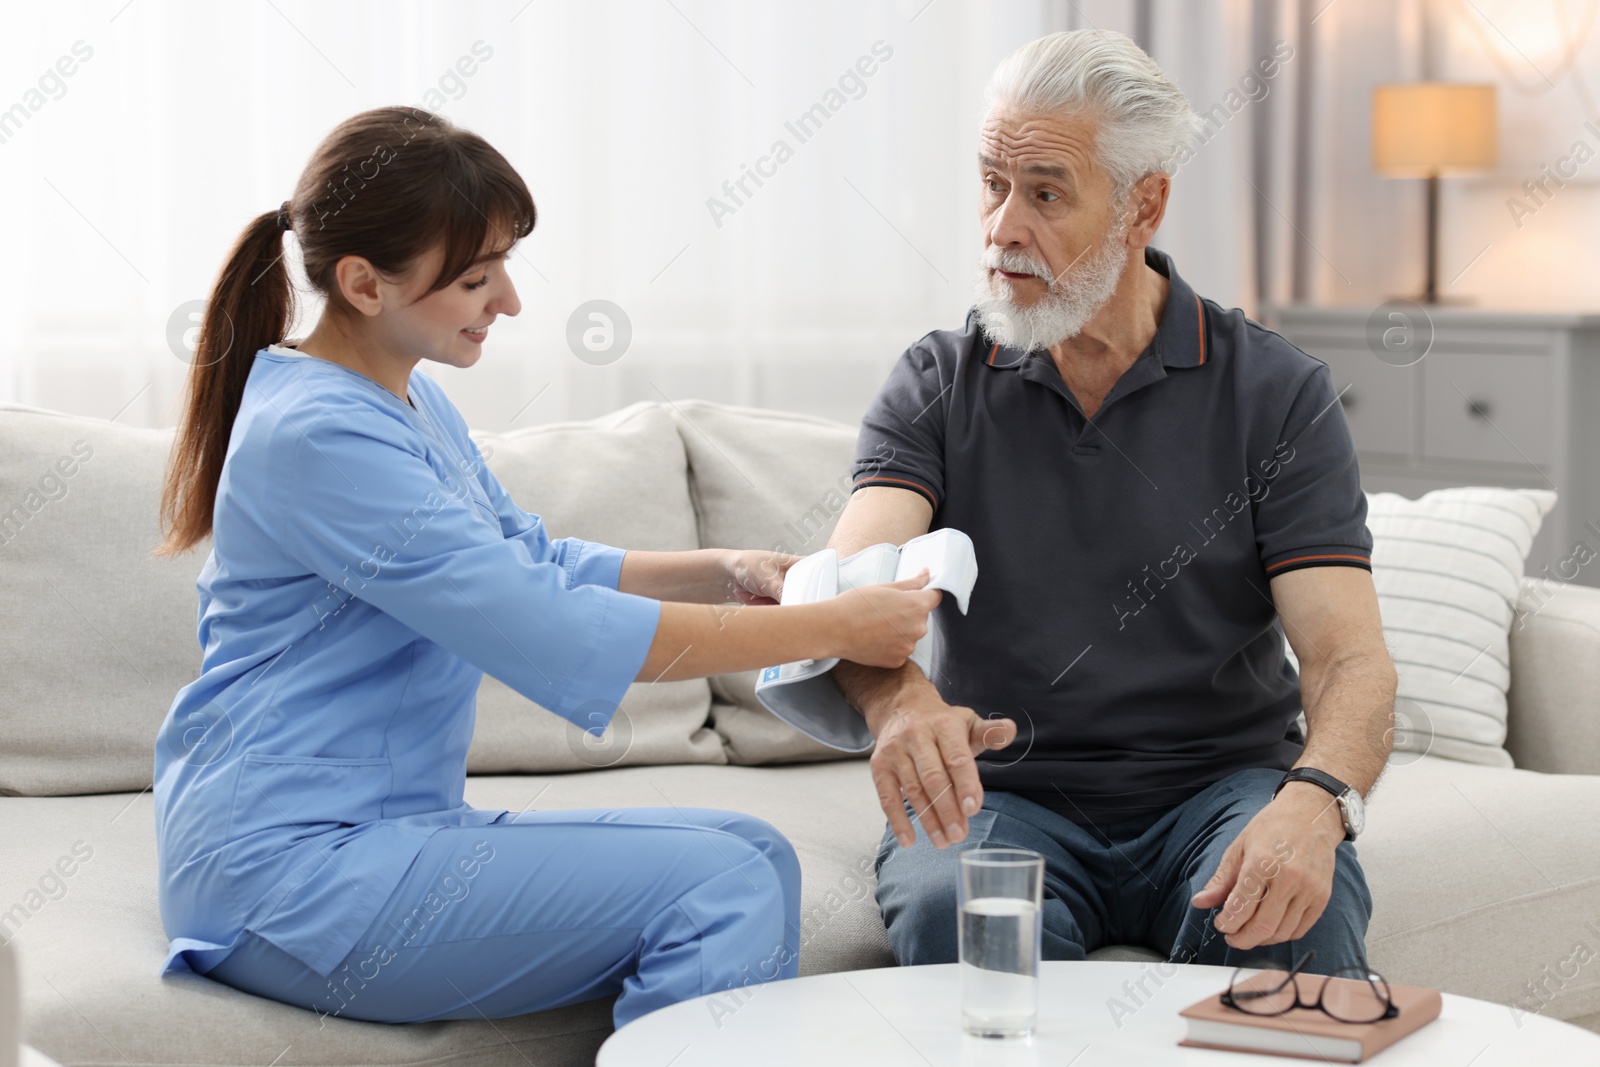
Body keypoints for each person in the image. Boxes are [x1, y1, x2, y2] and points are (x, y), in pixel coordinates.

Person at [150, 106, 940, 1031]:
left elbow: (532, 557)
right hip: (289, 876)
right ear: (364, 283)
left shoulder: (401, 401)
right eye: (478, 278)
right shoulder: (319, 437)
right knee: (722, 882)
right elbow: (547, 620)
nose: (511, 302)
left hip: (381, 836)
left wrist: (729, 569)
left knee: (748, 849)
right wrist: (832, 628)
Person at [781, 31, 1397, 974]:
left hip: (1222, 790)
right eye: (991, 183)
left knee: (1292, 928)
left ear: (1143, 203)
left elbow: (1348, 659)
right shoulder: (938, 381)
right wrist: (901, 699)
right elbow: (852, 591)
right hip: (1002, 796)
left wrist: (1316, 802)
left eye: (1045, 193)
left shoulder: (1275, 393)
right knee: (955, 920)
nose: (1000, 228)